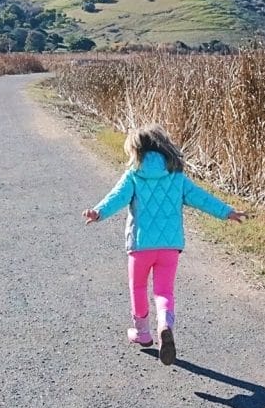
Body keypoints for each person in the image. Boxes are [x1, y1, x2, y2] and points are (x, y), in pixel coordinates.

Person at [83, 124, 246, 366]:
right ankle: (164, 325)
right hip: (170, 247)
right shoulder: (176, 176)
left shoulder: (134, 175)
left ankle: (142, 332)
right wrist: (227, 212)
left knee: (138, 287)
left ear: (136, 150)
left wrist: (98, 212)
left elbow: (116, 198)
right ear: (164, 147)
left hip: (140, 246)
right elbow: (201, 198)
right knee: (164, 292)